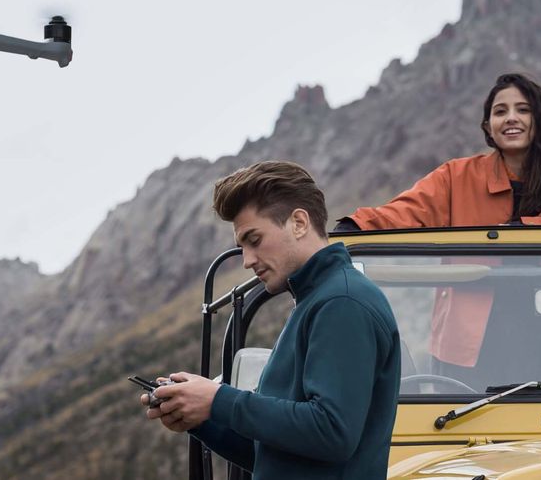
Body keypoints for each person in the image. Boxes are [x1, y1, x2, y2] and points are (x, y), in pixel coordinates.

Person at [338, 73, 541, 388]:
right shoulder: (456, 176)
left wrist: (526, 228)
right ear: (488, 127)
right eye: (500, 111)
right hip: (470, 342)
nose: (511, 118)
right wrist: (355, 226)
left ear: (539, 119)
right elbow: (407, 211)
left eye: (523, 110)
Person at [143, 161, 399, 479]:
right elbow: (275, 456)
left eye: (255, 240)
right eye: (242, 247)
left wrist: (218, 399)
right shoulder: (316, 301)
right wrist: (201, 418)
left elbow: (332, 433)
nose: (248, 260)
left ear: (299, 223)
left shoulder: (341, 302)